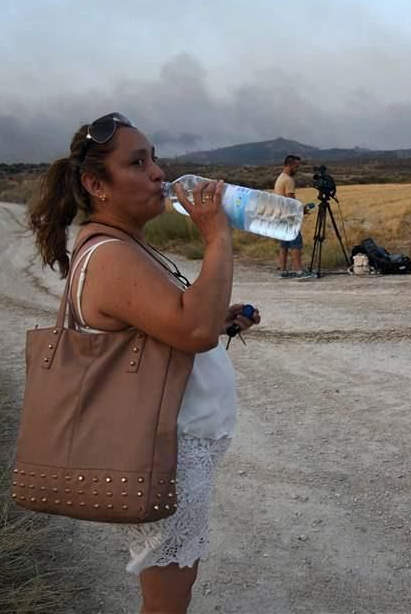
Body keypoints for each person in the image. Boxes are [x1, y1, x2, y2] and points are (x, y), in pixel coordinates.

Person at [28, 112, 260, 614]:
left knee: (177, 582)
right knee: (168, 597)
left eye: (154, 158)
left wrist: (219, 319)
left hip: (172, 447)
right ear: (96, 184)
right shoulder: (110, 255)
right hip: (157, 452)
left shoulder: (125, 245)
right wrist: (218, 236)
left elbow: (177, 325)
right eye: (137, 162)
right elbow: (192, 332)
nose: (158, 173)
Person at [274, 154, 308, 278]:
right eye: (296, 166)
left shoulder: (280, 177)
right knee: (296, 243)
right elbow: (290, 200)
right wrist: (301, 209)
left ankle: (283, 270)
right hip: (289, 216)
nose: (297, 169)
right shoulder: (288, 180)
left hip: (280, 215)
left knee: (284, 244)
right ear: (289, 165)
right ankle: (299, 271)